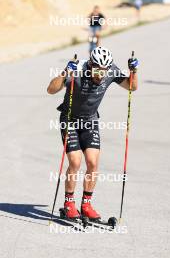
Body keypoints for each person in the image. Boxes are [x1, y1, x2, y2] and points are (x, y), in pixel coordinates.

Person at [47, 46, 139, 220]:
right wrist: (66, 72)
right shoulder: (78, 69)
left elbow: (131, 87)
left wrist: (133, 71)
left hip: (90, 120)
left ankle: (86, 204)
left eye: (105, 71)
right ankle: (69, 203)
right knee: (75, 161)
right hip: (70, 119)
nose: (101, 74)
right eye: (98, 70)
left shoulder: (110, 70)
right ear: (90, 64)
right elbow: (51, 89)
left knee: (92, 162)